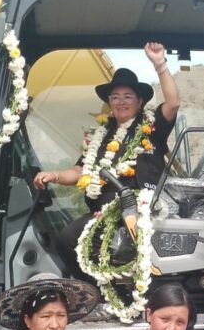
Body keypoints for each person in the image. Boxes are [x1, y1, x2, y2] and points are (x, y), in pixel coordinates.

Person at [33, 43, 180, 281]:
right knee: (67, 240)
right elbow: (80, 170)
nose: (121, 102)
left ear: (140, 101)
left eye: (128, 96)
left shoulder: (151, 127)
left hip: (142, 210)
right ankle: (95, 293)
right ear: (109, 103)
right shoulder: (100, 135)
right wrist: (55, 176)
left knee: (80, 239)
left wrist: (160, 64)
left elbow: (172, 103)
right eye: (115, 97)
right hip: (103, 212)